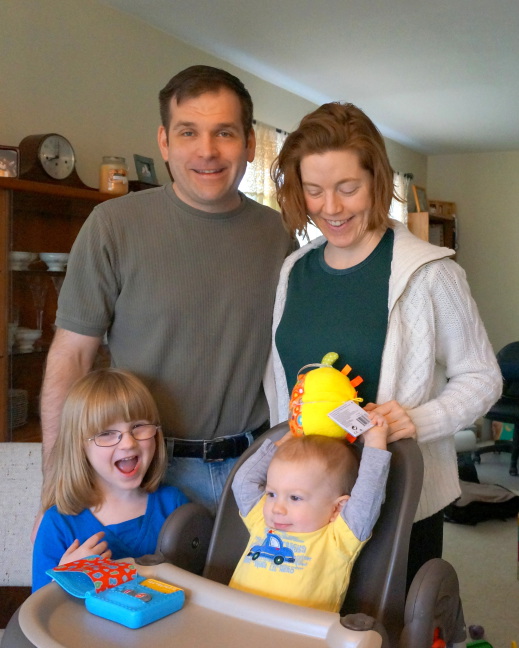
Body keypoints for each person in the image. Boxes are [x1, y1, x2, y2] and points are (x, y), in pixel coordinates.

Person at [39, 65, 294, 516]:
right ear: (164, 142)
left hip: (258, 472)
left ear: (250, 144)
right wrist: (56, 486)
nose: (207, 151)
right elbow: (72, 357)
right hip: (142, 473)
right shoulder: (113, 227)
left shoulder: (279, 236)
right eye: (188, 132)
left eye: (225, 133)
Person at [267, 101, 502, 589]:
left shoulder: (430, 272)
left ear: (377, 181)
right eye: (314, 190)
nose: (330, 207)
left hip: (397, 505)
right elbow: (281, 383)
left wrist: (418, 421)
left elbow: (483, 378)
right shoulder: (296, 271)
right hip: (303, 506)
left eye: (347, 188)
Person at [32, 368, 188, 592]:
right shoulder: (58, 524)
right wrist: (66, 579)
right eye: (106, 433)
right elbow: (39, 611)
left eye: (138, 426)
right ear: (79, 446)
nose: (128, 443)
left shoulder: (174, 505)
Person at [229, 413, 390, 612]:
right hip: (235, 621)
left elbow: (369, 494)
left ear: (337, 508)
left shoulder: (339, 538)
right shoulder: (261, 520)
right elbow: (243, 482)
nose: (277, 508)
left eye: (295, 498)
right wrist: (284, 441)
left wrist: (375, 443)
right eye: (271, 493)